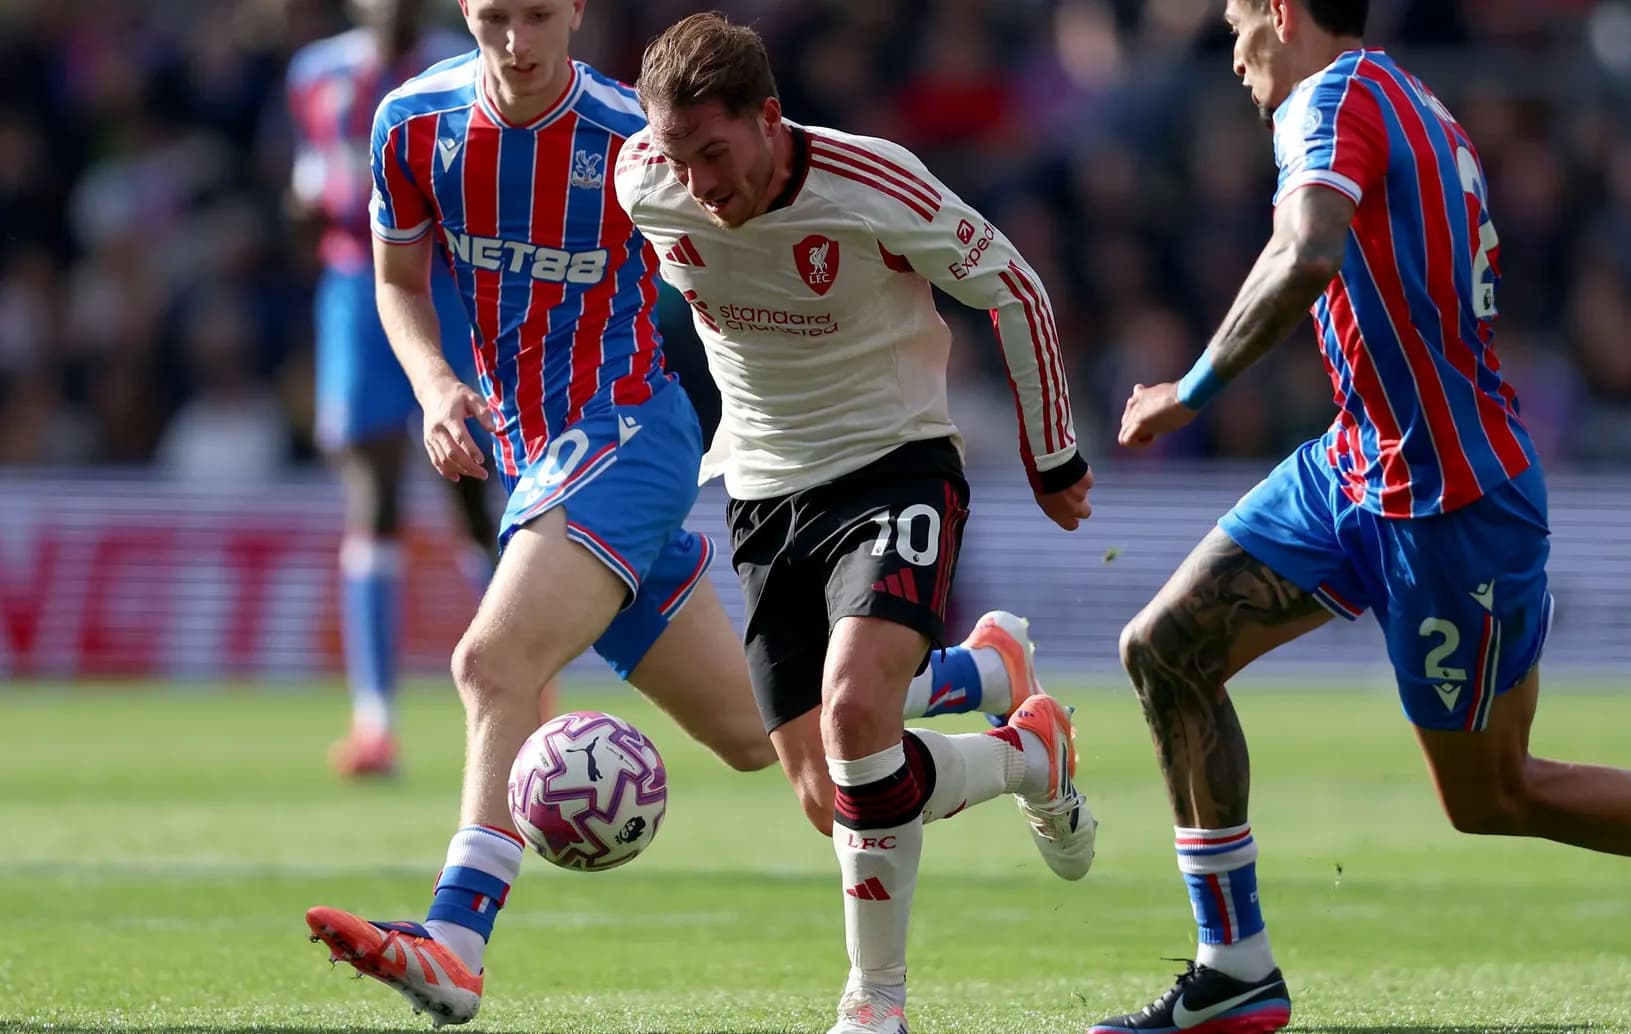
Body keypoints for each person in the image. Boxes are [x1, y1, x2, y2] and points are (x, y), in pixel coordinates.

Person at [1092, 3, 1631, 1032]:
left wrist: (1189, 388)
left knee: (1491, 794)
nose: (1231, 54)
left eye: (1237, 22)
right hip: (1356, 465)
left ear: (1282, 11)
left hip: (1452, 504)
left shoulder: (1332, 99)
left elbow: (1308, 251)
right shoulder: (1408, 102)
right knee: (1164, 650)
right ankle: (1233, 965)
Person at [302, 3, 1061, 1027]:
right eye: (492, 19)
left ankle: (455, 935)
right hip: (532, 462)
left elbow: (770, 220)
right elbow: (396, 277)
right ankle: (985, 685)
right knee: (772, 748)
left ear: (575, 9)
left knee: (490, 663)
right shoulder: (410, 124)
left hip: (627, 435)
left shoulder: (636, 134)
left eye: (536, 15)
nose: (517, 44)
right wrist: (435, 384)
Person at [617, 14, 1100, 1034]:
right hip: (758, 489)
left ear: (769, 119)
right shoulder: (640, 179)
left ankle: (874, 1002)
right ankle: (1023, 747)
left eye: (715, 153)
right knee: (833, 794)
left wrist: (1051, 450)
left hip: (894, 466)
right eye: (678, 157)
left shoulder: (871, 181)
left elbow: (1012, 286)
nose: (698, 183)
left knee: (853, 717)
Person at [286, 0, 554, 779]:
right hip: (357, 289)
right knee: (372, 491)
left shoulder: (462, 64)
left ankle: (525, 680)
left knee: (479, 492)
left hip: (453, 284)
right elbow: (312, 173)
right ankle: (374, 721)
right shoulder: (316, 74)